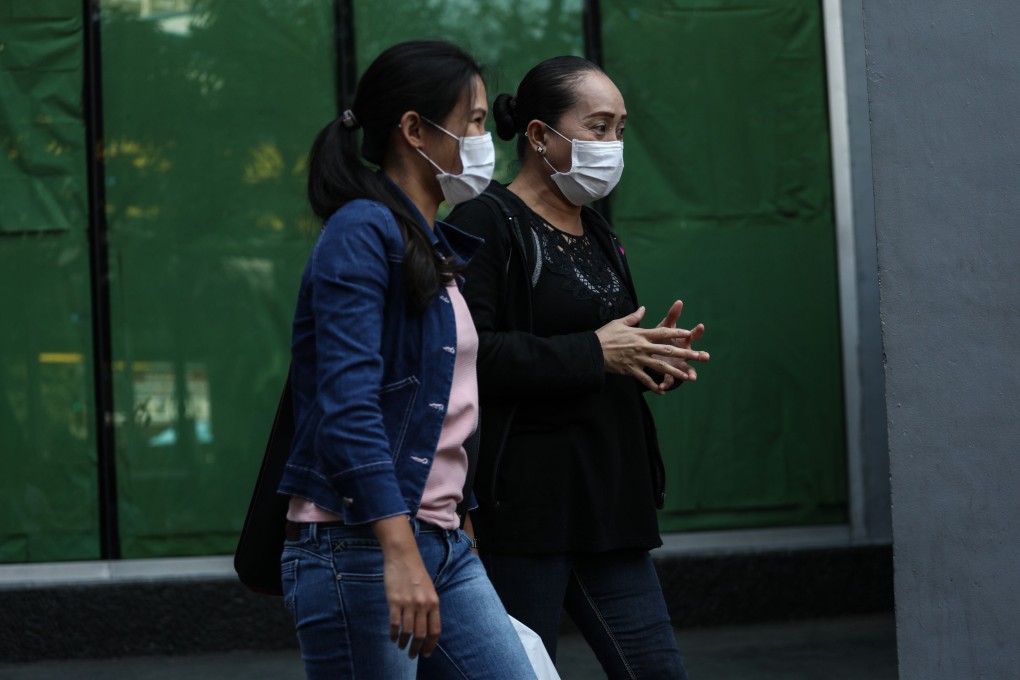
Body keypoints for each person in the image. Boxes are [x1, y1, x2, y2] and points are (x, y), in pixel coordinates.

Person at [276, 40, 538, 680]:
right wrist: (398, 550)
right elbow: (347, 407)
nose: (484, 140)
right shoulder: (361, 231)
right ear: (415, 130)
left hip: (441, 541)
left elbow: (439, 405)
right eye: (473, 121)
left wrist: (457, 518)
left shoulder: (434, 246)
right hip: (363, 544)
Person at [446, 56, 709, 679]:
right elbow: (465, 354)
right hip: (523, 512)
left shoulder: (597, 231)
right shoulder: (485, 221)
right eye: (598, 126)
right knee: (518, 672)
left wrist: (647, 358)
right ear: (539, 135)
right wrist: (595, 352)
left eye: (620, 129)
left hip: (611, 506)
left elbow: (603, 352)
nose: (613, 144)